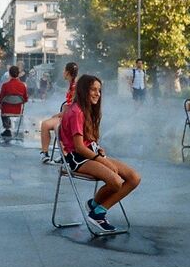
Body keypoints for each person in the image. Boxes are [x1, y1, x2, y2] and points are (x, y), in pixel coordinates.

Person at [59, 74, 141, 232]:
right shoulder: (76, 112)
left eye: (99, 90)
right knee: (116, 182)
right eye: (93, 90)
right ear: (84, 91)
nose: (98, 93)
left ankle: (95, 206)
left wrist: (98, 147)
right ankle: (98, 214)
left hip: (91, 154)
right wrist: (104, 161)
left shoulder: (87, 110)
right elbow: (79, 147)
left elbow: (87, 142)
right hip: (77, 159)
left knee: (134, 178)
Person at [38, 62, 78, 164]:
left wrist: (60, 114)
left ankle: (65, 154)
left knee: (55, 126)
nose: (63, 72)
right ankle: (45, 153)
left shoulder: (75, 86)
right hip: (67, 115)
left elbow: (74, 106)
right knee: (45, 124)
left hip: (71, 117)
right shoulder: (72, 85)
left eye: (64, 70)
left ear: (68, 72)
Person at [0, 65, 27, 139]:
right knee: (4, 107)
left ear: (9, 74)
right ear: (18, 74)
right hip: (17, 110)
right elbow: (25, 99)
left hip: (6, 110)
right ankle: (7, 130)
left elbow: (0, 100)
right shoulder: (23, 86)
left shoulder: (5, 85)